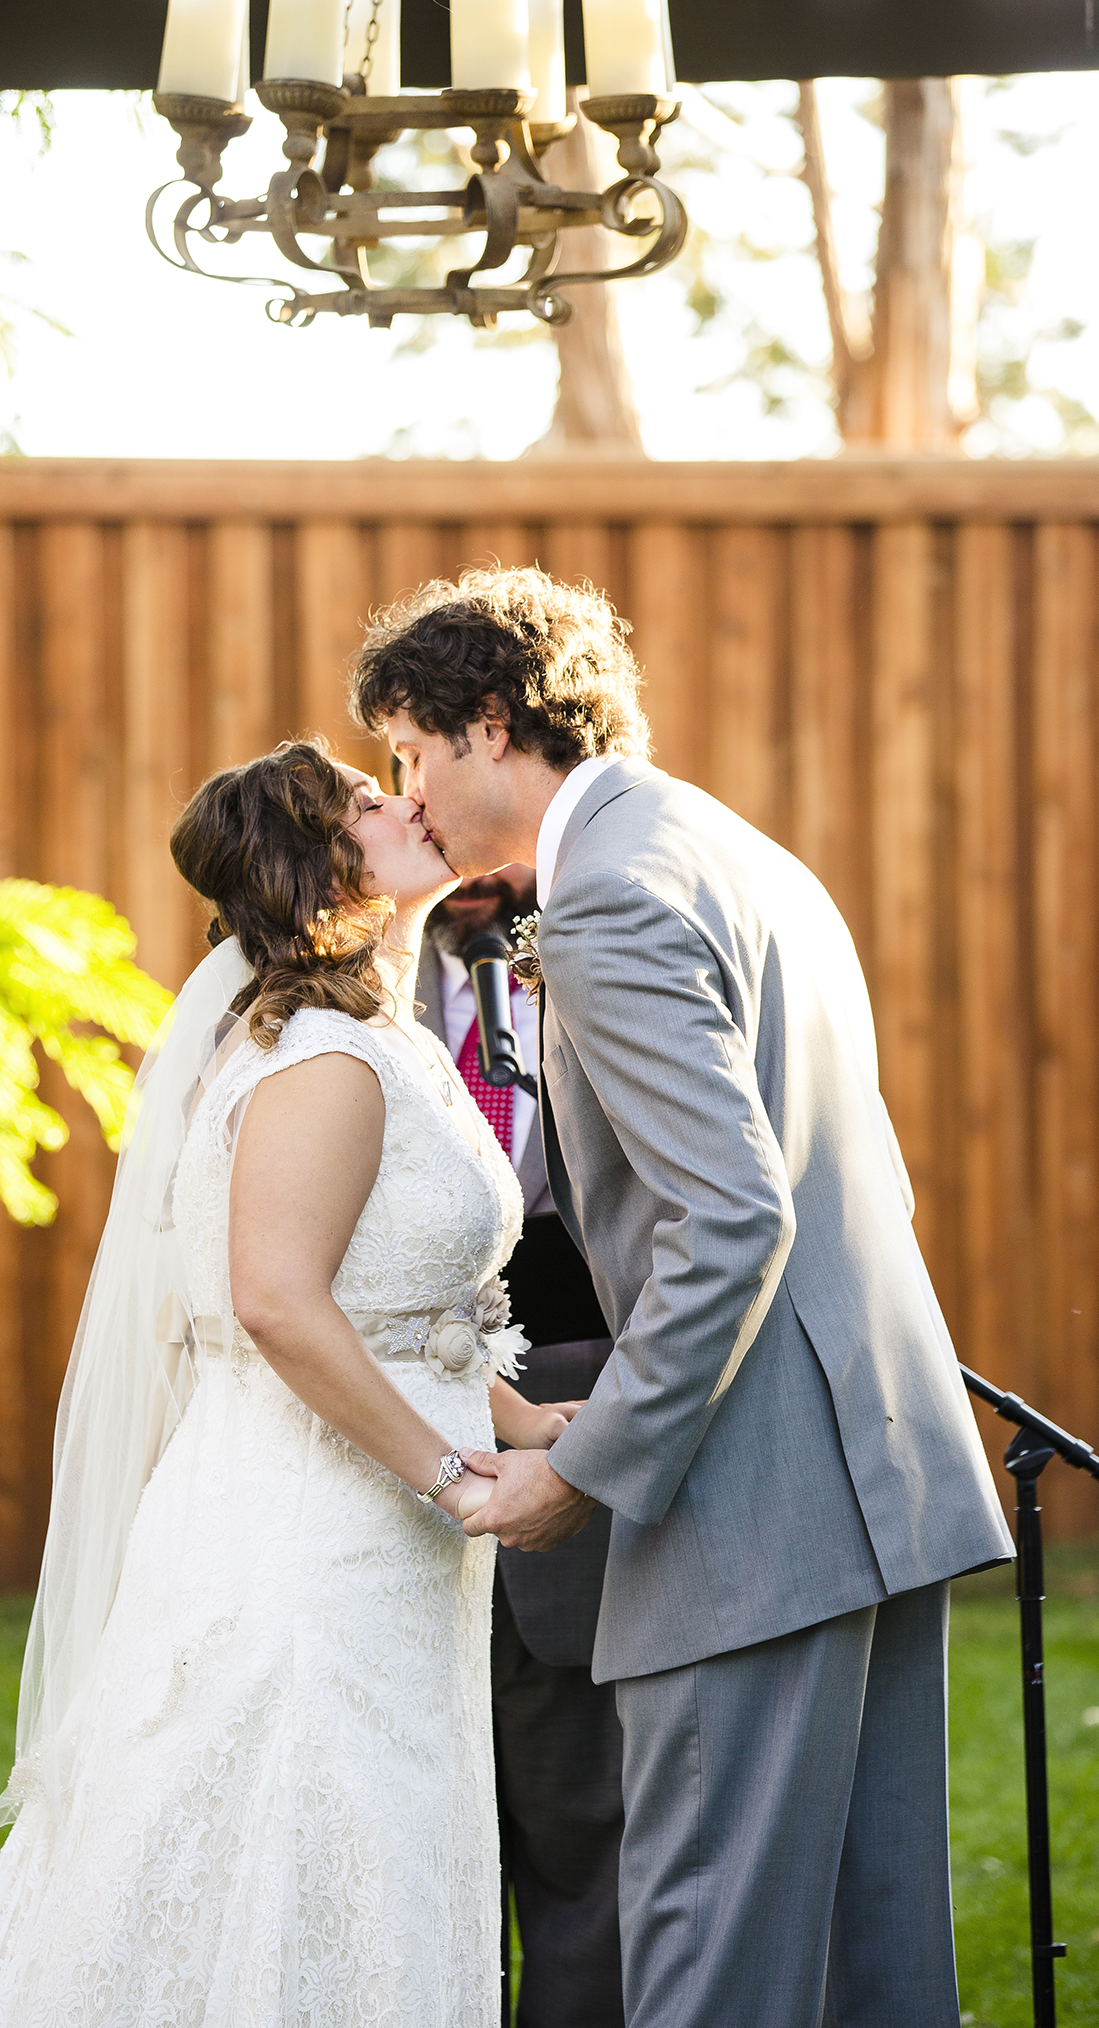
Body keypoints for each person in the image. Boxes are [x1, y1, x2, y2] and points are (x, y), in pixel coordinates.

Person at [349, 569, 1016, 2028]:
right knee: (872, 1968)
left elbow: (728, 1218)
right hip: (870, 1480)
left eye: (408, 754)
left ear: (487, 723)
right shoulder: (736, 848)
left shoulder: (604, 906)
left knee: (707, 1963)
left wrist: (579, 1473)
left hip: (748, 1512)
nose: (406, 794)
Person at [0, 739, 581, 2028]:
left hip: (387, 1551)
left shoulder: (383, 1034)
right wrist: (450, 1473)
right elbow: (272, 1298)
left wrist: (520, 1416)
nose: (406, 801)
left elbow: (396, 1300)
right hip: (312, 1554)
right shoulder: (324, 1054)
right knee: (288, 1867)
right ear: (325, 869)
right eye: (369, 803)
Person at [419, 869, 624, 2028]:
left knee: (579, 1817)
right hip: (377, 1478)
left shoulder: (607, 964)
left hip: (573, 1417)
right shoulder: (340, 996)